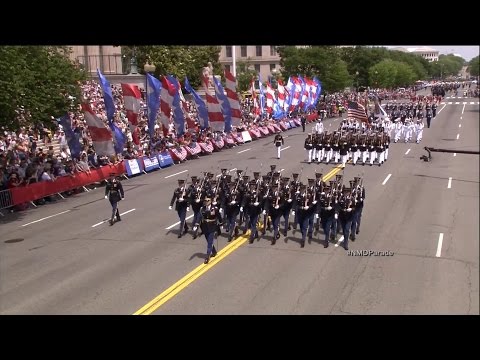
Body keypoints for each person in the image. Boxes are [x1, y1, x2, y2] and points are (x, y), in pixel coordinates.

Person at [197, 196, 223, 264]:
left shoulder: (215, 208)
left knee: (209, 242)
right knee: (208, 240)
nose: (206, 202)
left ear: (211, 201)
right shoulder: (202, 208)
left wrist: (221, 223)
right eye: (205, 200)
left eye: (208, 200)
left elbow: (219, 216)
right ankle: (214, 252)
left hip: (212, 227)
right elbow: (199, 216)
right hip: (205, 227)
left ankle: (207, 256)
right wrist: (196, 223)